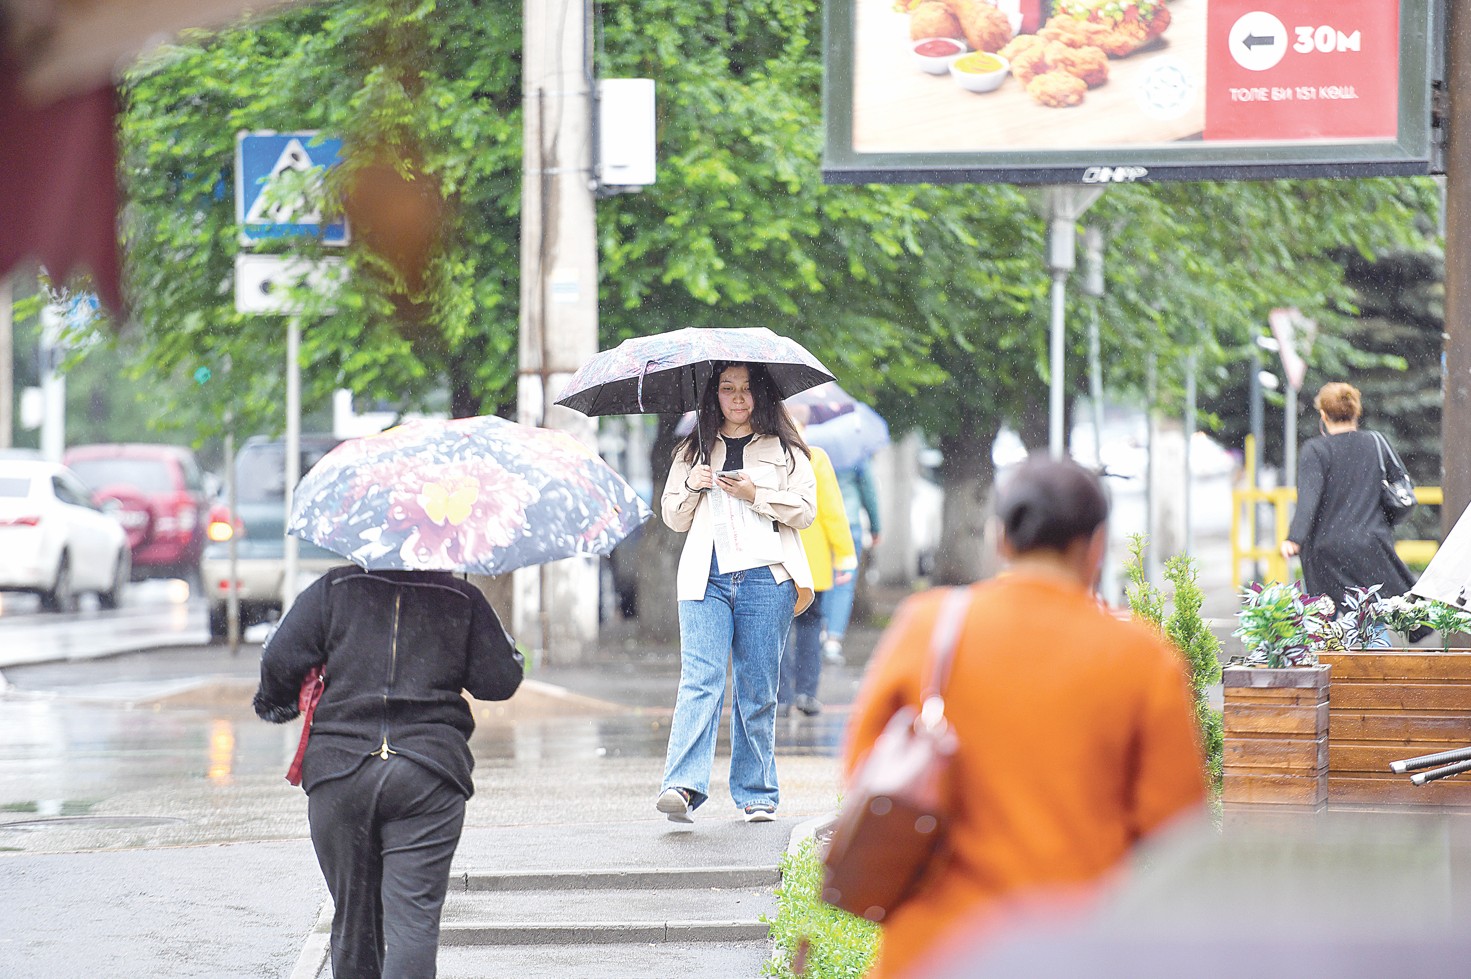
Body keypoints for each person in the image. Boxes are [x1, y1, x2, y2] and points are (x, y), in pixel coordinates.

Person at [843, 455, 1206, 979]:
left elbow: (862, 770)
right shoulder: (1142, 657)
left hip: (933, 951)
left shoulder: (929, 627)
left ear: (1002, 539)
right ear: (1096, 546)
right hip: (1071, 947)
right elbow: (1176, 829)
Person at [254, 567, 523, 979]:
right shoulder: (459, 597)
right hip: (427, 772)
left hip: (340, 773)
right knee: (413, 923)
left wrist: (278, 701)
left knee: (353, 921)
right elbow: (499, 680)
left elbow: (279, 659)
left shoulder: (335, 589)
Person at [657, 361, 817, 824]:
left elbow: (805, 511)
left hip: (766, 577)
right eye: (728, 388)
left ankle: (757, 793)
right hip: (705, 576)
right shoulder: (692, 449)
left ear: (761, 394)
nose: (738, 397)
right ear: (715, 396)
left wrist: (756, 493)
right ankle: (682, 787)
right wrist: (693, 483)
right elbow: (674, 516)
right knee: (700, 679)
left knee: (757, 686)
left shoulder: (786, 450)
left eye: (747, 389)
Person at [1280, 381, 1418, 616]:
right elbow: (1402, 488)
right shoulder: (1375, 442)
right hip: (1369, 546)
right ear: (1356, 411)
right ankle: (1376, 652)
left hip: (1326, 550)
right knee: (1372, 618)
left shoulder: (1315, 450)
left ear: (1323, 414)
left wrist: (1294, 538)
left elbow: (1308, 499)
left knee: (1327, 622)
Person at [778, 404, 857, 717]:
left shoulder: (770, 454)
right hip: (814, 562)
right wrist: (846, 555)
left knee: (779, 630)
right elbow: (832, 511)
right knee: (811, 627)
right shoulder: (816, 457)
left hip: (780, 560)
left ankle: (781, 696)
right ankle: (806, 693)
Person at [822, 457, 882, 664]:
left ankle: (819, 628)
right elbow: (869, 491)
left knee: (824, 577)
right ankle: (832, 639)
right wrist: (875, 526)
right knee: (844, 581)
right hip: (849, 522)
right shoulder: (854, 452)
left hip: (819, 523)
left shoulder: (815, 446)